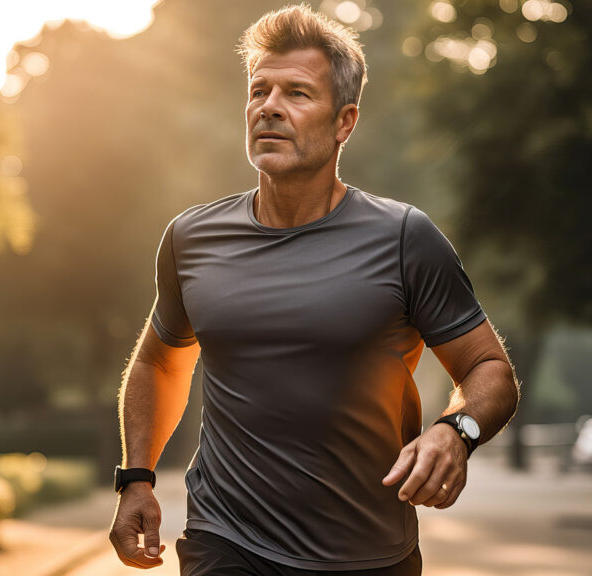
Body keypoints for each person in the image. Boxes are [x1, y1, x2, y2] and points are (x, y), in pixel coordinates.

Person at [109, 5, 519, 575]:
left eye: (298, 93)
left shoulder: (404, 238)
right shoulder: (191, 238)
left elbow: (489, 370)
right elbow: (160, 362)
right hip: (226, 538)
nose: (269, 107)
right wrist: (136, 479)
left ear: (344, 122)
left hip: (368, 553)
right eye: (259, 91)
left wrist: (458, 432)